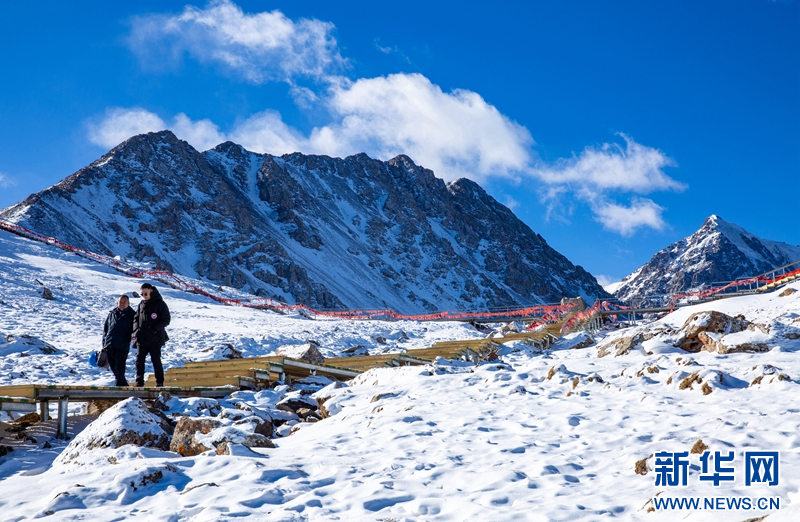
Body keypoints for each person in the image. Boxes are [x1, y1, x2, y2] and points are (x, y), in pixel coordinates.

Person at [132, 283, 171, 387]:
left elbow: (166, 320)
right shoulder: (141, 304)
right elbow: (136, 318)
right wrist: (136, 330)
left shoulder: (160, 304)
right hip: (142, 338)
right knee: (139, 360)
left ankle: (159, 382)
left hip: (155, 338)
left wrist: (155, 328)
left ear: (151, 291)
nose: (144, 296)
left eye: (146, 293)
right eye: (142, 294)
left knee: (156, 360)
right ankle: (139, 382)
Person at [102, 294, 135, 386]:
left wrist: (126, 339)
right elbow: (106, 329)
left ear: (128, 303)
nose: (122, 303)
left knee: (120, 368)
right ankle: (126, 388)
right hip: (110, 344)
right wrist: (104, 343)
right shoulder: (112, 313)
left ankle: (118, 389)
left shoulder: (132, 315)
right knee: (114, 368)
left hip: (122, 346)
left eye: (124, 302)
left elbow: (133, 330)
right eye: (120, 301)